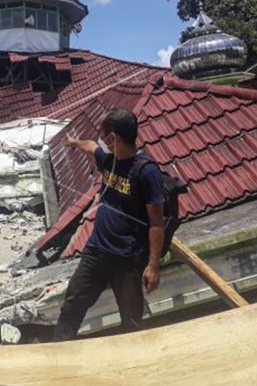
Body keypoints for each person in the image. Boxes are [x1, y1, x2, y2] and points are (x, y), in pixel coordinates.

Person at [52, 108, 165, 342]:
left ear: (114, 138)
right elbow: (91, 146)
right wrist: (73, 142)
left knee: (132, 321)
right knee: (72, 305)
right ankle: (58, 354)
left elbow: (156, 223)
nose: (101, 139)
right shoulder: (108, 161)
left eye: (104, 135)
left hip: (128, 260)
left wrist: (153, 266)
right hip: (96, 252)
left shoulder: (146, 171)